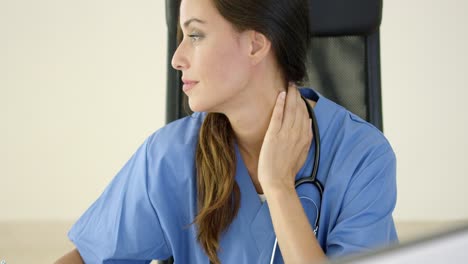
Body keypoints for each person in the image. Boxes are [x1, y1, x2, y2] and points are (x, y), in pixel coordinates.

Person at [55, 0, 398, 263]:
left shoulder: (362, 157)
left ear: (255, 45)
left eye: (195, 35)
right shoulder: (169, 155)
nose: (177, 58)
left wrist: (279, 187)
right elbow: (88, 257)